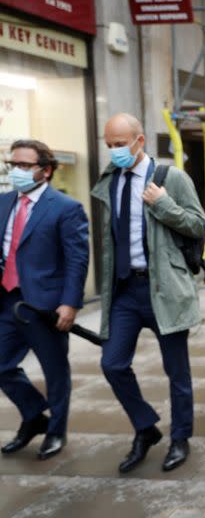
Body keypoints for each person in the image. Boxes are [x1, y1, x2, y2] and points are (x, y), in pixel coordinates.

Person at [90, 114, 205, 473]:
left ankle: (180, 437)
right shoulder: (110, 181)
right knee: (112, 363)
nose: (114, 151)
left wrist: (163, 204)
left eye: (120, 143)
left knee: (177, 372)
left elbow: (197, 224)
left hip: (163, 288)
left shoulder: (170, 178)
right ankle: (145, 427)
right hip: (124, 290)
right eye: (109, 144)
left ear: (140, 141)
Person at [0, 139, 89, 460]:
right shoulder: (3, 202)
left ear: (46, 170)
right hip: (8, 301)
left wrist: (71, 303)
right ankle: (35, 415)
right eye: (13, 165)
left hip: (46, 306)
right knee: (2, 366)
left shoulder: (66, 208)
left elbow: (77, 260)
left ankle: (55, 432)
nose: (17, 172)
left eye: (25, 166)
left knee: (55, 373)